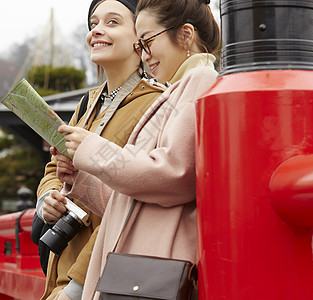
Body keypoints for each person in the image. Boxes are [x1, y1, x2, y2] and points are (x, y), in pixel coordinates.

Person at [55, 0, 220, 298]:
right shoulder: (179, 88)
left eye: (148, 42)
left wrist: (95, 150)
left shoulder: (200, 80)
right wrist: (81, 177)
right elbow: (136, 196)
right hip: (144, 263)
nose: (144, 55)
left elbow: (175, 172)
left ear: (185, 35)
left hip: (151, 263)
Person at [34, 0, 165, 299]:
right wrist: (49, 198)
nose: (97, 31)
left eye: (112, 22)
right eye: (94, 23)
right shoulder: (88, 103)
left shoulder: (156, 105)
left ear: (140, 37)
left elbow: (135, 205)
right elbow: (55, 167)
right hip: (65, 264)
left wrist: (77, 287)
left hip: (101, 276)